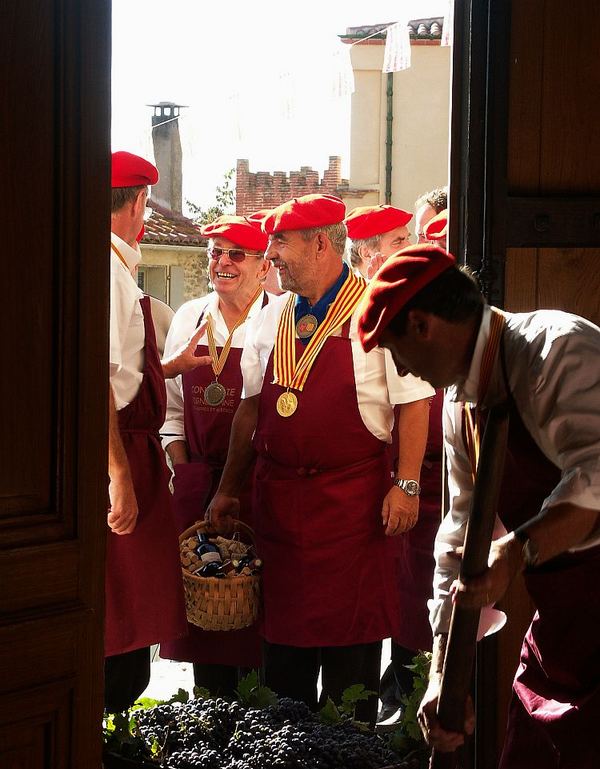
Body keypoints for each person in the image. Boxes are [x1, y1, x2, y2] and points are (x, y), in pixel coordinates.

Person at [357, 243, 600, 769]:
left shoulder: (556, 353)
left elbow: (596, 479)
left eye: (396, 352)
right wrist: (444, 674)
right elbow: (459, 543)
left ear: (421, 324)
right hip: (564, 631)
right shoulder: (460, 408)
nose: (401, 370)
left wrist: (515, 551)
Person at [206, 194, 434, 727]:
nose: (272, 254)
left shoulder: (379, 310)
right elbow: (249, 412)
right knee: (282, 667)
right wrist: (228, 487)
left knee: (349, 666)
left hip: (354, 510)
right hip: (280, 508)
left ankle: (350, 767)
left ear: (321, 243)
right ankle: (287, 766)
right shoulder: (271, 319)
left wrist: (406, 485)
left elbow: (413, 403)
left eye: (280, 242)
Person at [106, 151, 210, 712]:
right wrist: (119, 475)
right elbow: (93, 377)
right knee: (119, 620)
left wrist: (166, 370)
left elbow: (120, 370)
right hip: (121, 456)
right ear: (140, 203)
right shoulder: (110, 270)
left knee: (130, 615)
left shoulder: (117, 268)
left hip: (129, 452)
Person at [160, 214, 272, 695]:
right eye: (216, 253)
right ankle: (209, 718)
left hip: (258, 486)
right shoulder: (189, 317)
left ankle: (262, 729)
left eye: (236, 254)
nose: (222, 263)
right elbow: (171, 410)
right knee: (203, 616)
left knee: (260, 619)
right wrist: (184, 469)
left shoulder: (282, 316)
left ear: (262, 265)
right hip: (199, 479)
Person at [346, 203, 445, 725]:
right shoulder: (371, 311)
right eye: (398, 240)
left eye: (409, 236)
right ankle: (402, 695)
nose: (411, 245)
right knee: (402, 594)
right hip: (399, 474)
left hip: (443, 475)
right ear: (367, 255)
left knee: (432, 590)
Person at [345, 204, 413, 280]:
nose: (410, 247)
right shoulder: (349, 291)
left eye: (408, 238)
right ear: (366, 253)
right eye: (397, 242)